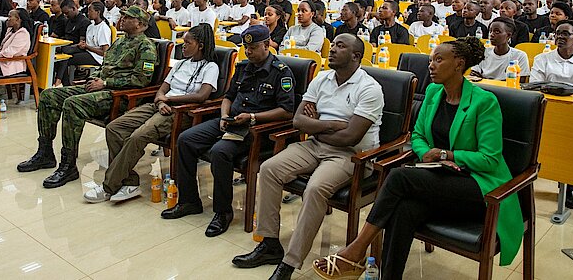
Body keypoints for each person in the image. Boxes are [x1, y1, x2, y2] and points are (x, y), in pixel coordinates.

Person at [313, 38, 523, 280]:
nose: (431, 65)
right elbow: (418, 136)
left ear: (459, 64)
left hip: (480, 187)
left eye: (439, 60)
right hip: (442, 177)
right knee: (404, 210)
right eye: (431, 59)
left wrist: (447, 154)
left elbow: (490, 159)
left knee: (399, 177)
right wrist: (430, 156)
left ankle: (356, 250)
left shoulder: (484, 102)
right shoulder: (433, 93)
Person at [232, 34, 384, 280]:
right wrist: (331, 125)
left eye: (340, 46)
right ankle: (269, 244)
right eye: (332, 45)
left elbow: (351, 137)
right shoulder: (322, 78)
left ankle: (290, 262)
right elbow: (298, 120)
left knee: (315, 188)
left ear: (356, 56)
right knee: (269, 169)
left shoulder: (370, 89)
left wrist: (316, 125)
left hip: (352, 156)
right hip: (315, 145)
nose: (332, 49)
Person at [161, 25, 295, 237]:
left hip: (256, 128)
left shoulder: (281, 72)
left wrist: (253, 117)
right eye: (246, 48)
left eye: (252, 48)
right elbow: (228, 97)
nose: (248, 52)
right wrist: (224, 115)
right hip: (231, 120)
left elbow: (287, 111)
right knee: (186, 139)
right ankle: (189, 201)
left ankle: (223, 212)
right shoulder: (243, 67)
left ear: (266, 45)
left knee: (219, 151)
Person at [16, 6, 158, 189]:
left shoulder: (146, 47)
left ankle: (68, 165)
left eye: (127, 17)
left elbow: (141, 80)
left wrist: (105, 83)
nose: (122, 19)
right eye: (122, 16)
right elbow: (105, 66)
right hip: (100, 87)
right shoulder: (120, 41)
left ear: (140, 24)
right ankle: (45, 153)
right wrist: (95, 78)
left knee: (73, 104)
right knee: (49, 95)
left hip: (119, 96)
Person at [83, 24, 220, 203]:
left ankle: (109, 186)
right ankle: (129, 182)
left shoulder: (210, 67)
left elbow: (202, 96)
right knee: (115, 127)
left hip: (180, 112)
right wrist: (161, 100)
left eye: (188, 42)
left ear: (200, 45)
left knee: (137, 136)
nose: (183, 45)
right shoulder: (180, 64)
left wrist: (168, 100)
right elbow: (162, 89)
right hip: (160, 105)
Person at [530, 19, 573, 209]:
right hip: (547, 105)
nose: (560, 37)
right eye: (558, 33)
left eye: (565, 34)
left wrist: (554, 88)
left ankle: (568, 185)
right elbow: (535, 86)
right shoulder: (542, 58)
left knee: (569, 141)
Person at [59, 1, 112, 86]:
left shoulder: (103, 28)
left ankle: (64, 83)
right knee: (64, 53)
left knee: (66, 59)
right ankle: (63, 82)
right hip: (88, 51)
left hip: (97, 57)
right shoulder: (91, 26)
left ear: (98, 12)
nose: (88, 13)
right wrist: (82, 45)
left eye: (90, 11)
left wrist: (87, 47)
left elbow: (104, 52)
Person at [470, 17, 530, 82]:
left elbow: (519, 82)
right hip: (482, 87)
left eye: (497, 32)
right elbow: (474, 75)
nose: (491, 35)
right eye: (490, 31)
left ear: (509, 35)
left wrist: (484, 79)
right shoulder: (483, 52)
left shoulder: (520, 56)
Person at [50, 0, 90, 86]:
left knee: (64, 55)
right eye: (64, 13)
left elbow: (81, 43)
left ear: (74, 8)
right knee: (55, 55)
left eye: (67, 13)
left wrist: (68, 46)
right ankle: (62, 82)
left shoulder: (84, 22)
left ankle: (59, 81)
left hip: (77, 48)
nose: (65, 15)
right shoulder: (67, 20)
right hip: (67, 45)